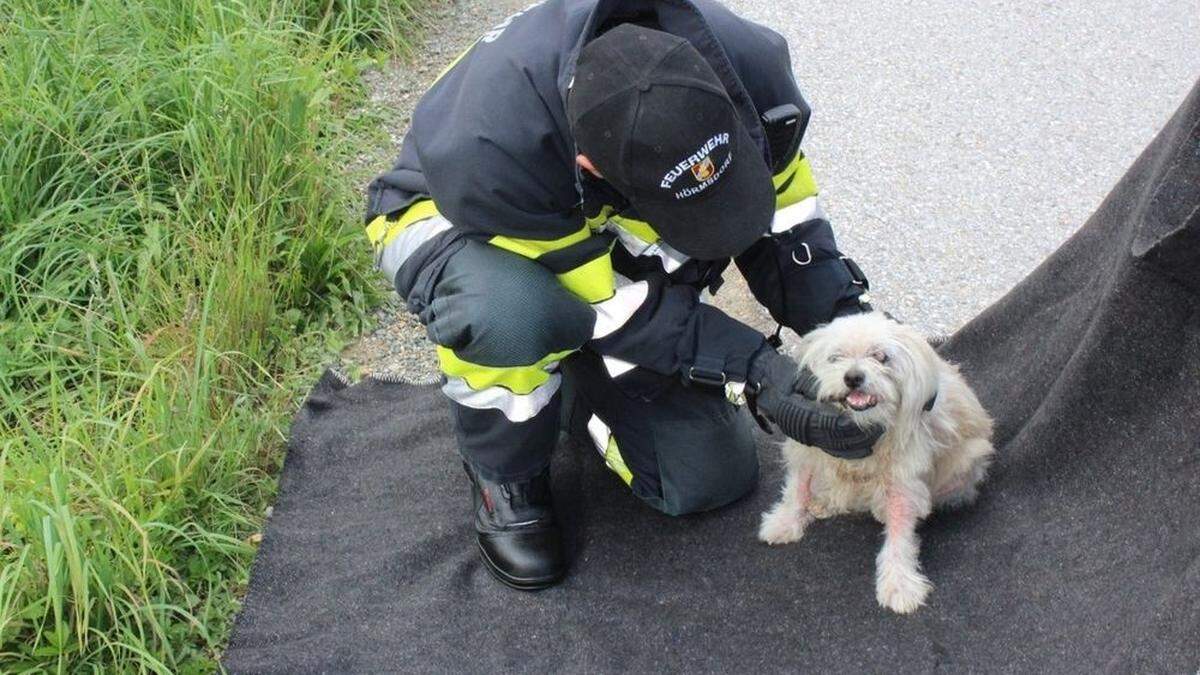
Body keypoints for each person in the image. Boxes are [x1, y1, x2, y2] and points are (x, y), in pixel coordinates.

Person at [364, 0, 880, 591]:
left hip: (588, 224)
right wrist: (756, 368)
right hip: (461, 217)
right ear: (593, 166)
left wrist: (850, 326)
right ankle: (503, 475)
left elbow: (788, 215)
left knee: (707, 476)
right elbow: (602, 303)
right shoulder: (497, 152)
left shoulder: (749, 67)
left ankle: (583, 387)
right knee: (512, 314)